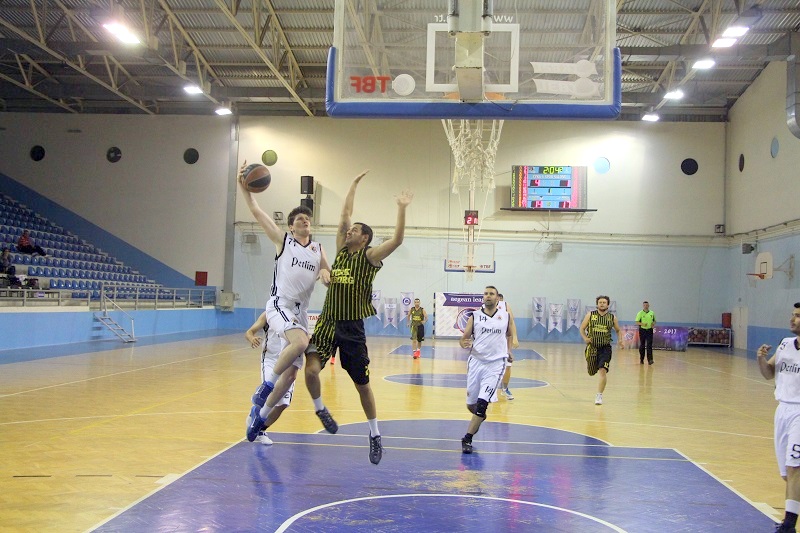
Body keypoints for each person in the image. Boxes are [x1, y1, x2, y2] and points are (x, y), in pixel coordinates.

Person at [306, 169, 413, 464]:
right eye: (349, 230)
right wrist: (352, 184)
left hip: (352, 329)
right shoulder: (341, 252)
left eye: (354, 230)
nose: (348, 231)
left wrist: (401, 208)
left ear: (365, 238)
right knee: (311, 370)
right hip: (328, 322)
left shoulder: (369, 257)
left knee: (362, 386)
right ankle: (320, 409)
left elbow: (397, 240)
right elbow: (344, 215)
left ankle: (375, 435)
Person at [239, 162, 334, 443]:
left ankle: (259, 420)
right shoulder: (283, 242)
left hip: (300, 313)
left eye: (307, 219)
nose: (305, 221)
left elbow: (326, 272)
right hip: (280, 304)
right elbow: (256, 211)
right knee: (301, 343)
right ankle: (265, 386)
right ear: (291, 227)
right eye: (300, 219)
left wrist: (326, 274)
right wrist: (244, 189)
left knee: (291, 376)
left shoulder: (317, 249)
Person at [757, 302, 800, 533]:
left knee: (795, 468)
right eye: (792, 315)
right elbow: (768, 374)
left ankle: (789, 525)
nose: (792, 319)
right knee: (787, 474)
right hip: (782, 411)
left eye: (798, 316)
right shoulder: (785, 344)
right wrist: (761, 359)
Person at [458, 285, 512, 454]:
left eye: (491, 294)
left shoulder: (505, 316)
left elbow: (509, 334)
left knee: (482, 404)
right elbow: (464, 338)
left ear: (497, 298)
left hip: (496, 364)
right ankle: (479, 416)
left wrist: (509, 350)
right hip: (476, 362)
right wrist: (463, 343)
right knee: (471, 405)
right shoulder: (475, 316)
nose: (488, 296)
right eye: (486, 293)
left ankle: (467, 438)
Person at [244, 312, 294, 445]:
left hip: (289, 361)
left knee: (283, 404)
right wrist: (252, 338)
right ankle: (257, 414)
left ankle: (261, 429)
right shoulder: (269, 313)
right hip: (270, 360)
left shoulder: (297, 313)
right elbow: (249, 332)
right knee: (269, 393)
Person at [579, 295, 623, 405]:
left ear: (608, 305)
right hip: (592, 347)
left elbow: (618, 330)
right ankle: (593, 366)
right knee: (591, 372)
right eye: (600, 302)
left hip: (605, 348)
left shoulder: (612, 317)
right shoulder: (590, 315)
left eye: (604, 302)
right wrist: (585, 338)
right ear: (597, 304)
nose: (602, 304)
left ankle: (599, 395)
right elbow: (582, 328)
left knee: (602, 370)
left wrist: (620, 340)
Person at [497, 293, 519, 400]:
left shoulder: (505, 307)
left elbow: (511, 322)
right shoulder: (484, 309)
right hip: (492, 343)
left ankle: (505, 389)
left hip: (504, 342)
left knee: (508, 365)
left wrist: (515, 337)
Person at [635, 300, 656, 365]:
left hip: (649, 330)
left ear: (648, 306)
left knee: (649, 345)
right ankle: (641, 359)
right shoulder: (640, 313)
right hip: (642, 330)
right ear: (643, 306)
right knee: (642, 345)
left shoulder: (652, 313)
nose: (646, 306)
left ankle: (650, 360)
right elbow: (637, 322)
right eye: (644, 305)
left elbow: (654, 321)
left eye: (647, 305)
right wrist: (642, 324)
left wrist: (653, 324)